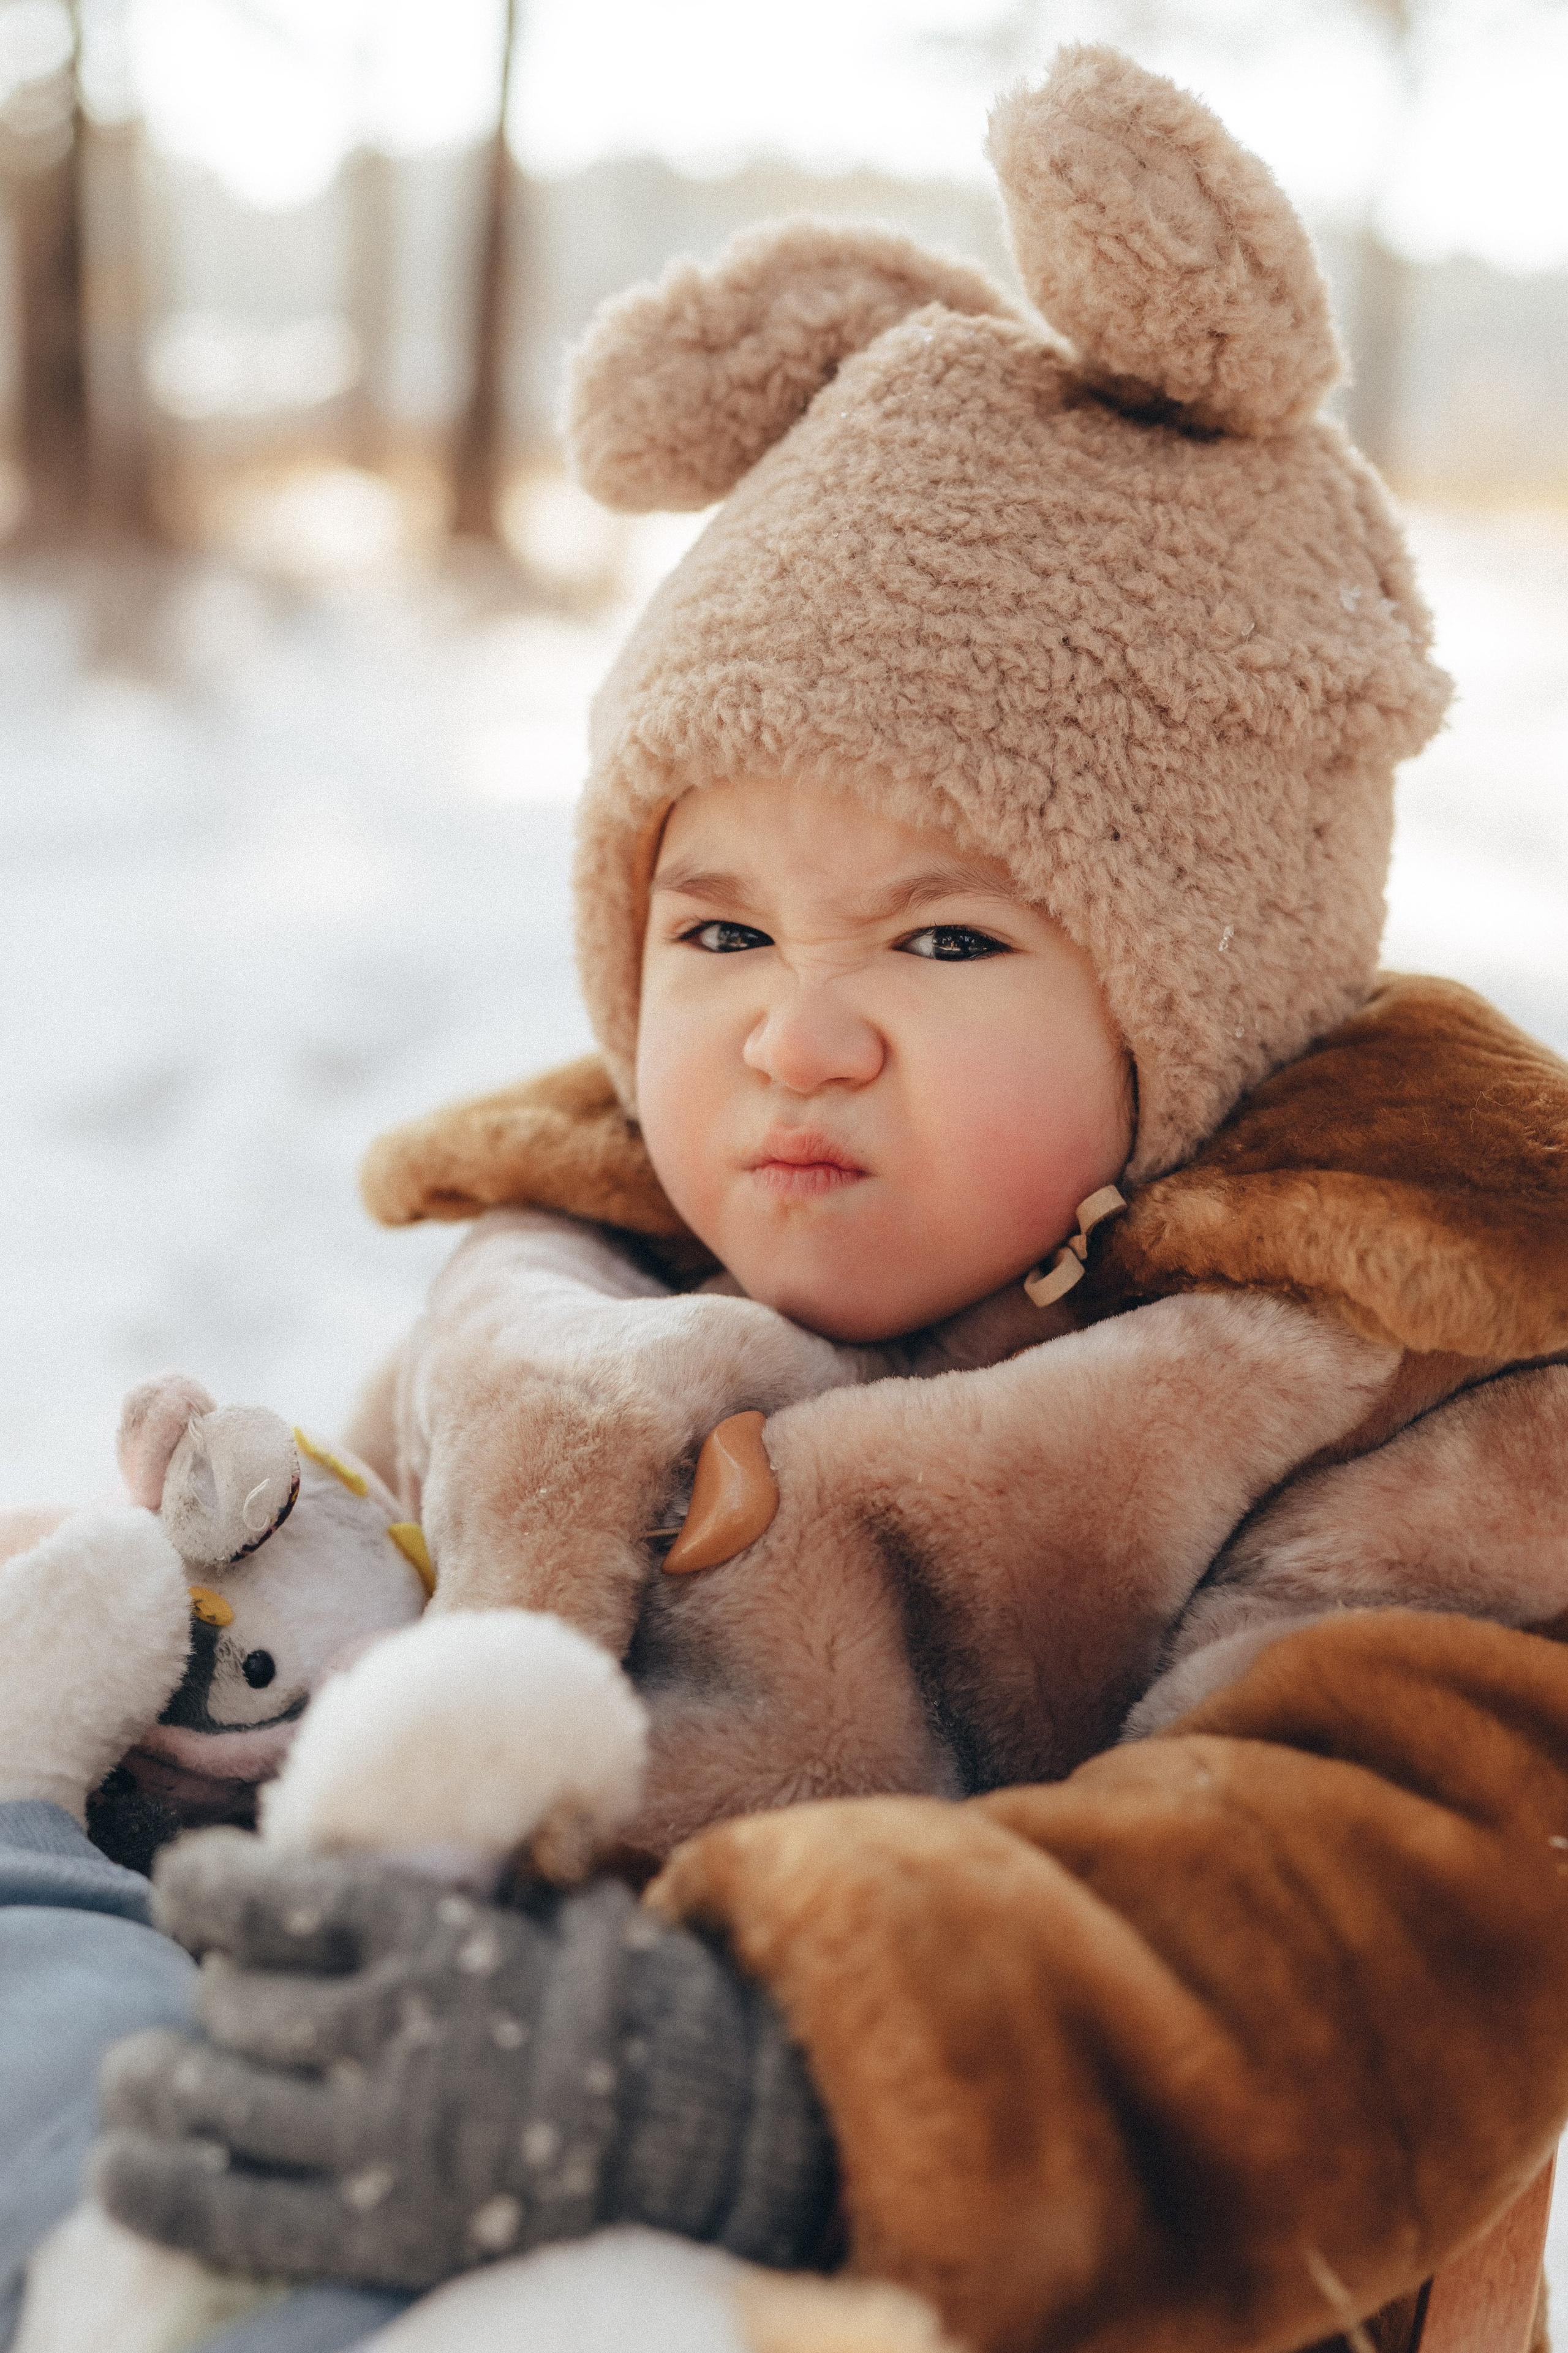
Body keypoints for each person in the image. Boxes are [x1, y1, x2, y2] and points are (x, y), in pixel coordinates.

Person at [10, 44, 1568, 2353]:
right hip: (395, 2171)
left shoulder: (1369, 1391)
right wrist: (225, 1672)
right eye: (717, 932)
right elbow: (384, 1662)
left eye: (944, 941)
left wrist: (768, 2078)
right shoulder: (551, 1285)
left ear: (1202, 995)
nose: (793, 1035)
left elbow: (1378, 1914)